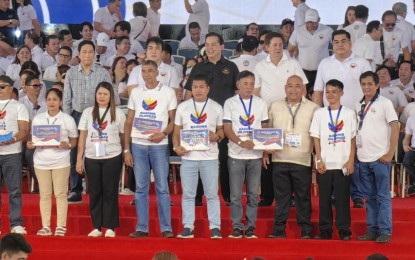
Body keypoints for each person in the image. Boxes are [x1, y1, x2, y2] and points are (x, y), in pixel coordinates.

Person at [313, 30, 371, 208]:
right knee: (332, 152)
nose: (339, 45)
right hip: (330, 118)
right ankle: (332, 194)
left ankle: (358, 195)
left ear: (350, 43)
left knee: (356, 155)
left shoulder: (361, 63)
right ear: (332, 44)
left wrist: (367, 112)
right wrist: (317, 114)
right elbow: (318, 91)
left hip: (356, 116)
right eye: (336, 42)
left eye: (343, 41)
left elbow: (369, 90)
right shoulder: (324, 63)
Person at [184, 32, 239, 205]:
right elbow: (188, 95)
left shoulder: (232, 67)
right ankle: (198, 196)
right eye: (206, 44)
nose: (209, 48)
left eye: (213, 44)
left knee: (224, 159)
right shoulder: (198, 68)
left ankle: (228, 196)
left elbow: (237, 95)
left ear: (222, 46)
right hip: (200, 121)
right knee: (198, 157)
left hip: (224, 122)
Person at [124, 60, 176, 238]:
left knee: (162, 187)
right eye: (143, 71)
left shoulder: (168, 92)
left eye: (150, 71)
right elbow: (129, 121)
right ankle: (142, 228)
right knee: (141, 187)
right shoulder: (136, 92)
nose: (146, 74)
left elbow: (174, 122)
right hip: (138, 144)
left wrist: (163, 134)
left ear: (157, 73)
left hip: (159, 145)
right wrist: (126, 149)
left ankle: (166, 228)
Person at [266, 75, 319, 239]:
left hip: (302, 159)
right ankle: (278, 230)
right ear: (285, 88)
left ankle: (306, 230)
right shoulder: (275, 106)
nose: (293, 90)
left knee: (303, 197)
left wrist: (318, 158)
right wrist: (264, 152)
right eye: (290, 86)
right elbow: (268, 130)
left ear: (303, 89)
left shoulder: (313, 108)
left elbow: (317, 135)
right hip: (279, 158)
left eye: (297, 86)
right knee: (281, 198)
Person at [174, 74, 224, 239]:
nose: (198, 90)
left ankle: (215, 227)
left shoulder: (216, 107)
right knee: (188, 195)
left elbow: (222, 131)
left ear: (208, 88)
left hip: (209, 157)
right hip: (188, 158)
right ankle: (188, 227)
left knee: (211, 194)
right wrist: (176, 147)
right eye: (195, 87)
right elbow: (176, 132)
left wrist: (216, 136)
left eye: (201, 87)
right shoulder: (183, 107)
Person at [63, 40, 111, 204]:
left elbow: (109, 96)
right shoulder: (71, 73)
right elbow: (67, 100)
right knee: (75, 152)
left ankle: (97, 188)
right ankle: (76, 189)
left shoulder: (102, 73)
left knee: (98, 150)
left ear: (94, 54)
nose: (88, 55)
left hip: (97, 116)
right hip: (76, 115)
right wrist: (67, 121)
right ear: (78, 54)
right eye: (84, 52)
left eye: (91, 52)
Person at [76, 82, 125, 238]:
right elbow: (82, 136)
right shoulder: (88, 112)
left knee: (110, 191)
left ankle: (110, 227)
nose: (102, 96)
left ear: (111, 96)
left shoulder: (118, 113)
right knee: (95, 191)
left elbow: (123, 136)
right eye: (99, 94)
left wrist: (126, 152)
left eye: (105, 94)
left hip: (113, 156)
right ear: (95, 95)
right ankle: (96, 226)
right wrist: (79, 158)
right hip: (91, 156)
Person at [27, 88, 78, 236]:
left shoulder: (67, 119)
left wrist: (67, 145)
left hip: (60, 161)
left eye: (55, 99)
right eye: (49, 99)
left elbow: (74, 140)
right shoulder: (38, 118)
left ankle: (61, 226)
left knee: (61, 194)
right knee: (44, 194)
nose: (51, 102)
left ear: (61, 102)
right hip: (41, 161)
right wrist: (30, 144)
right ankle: (46, 226)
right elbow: (33, 139)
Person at [224, 71, 268, 239]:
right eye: (245, 83)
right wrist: (242, 143)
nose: (248, 87)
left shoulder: (261, 103)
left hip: (255, 156)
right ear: (238, 85)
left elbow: (265, 127)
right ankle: (236, 226)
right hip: (236, 154)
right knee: (235, 195)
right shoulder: (229, 103)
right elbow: (227, 129)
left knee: (252, 194)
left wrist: (264, 148)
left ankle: (250, 227)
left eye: (251, 84)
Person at [356, 71, 399, 244]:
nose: (366, 87)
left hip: (380, 158)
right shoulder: (358, 104)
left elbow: (395, 127)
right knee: (370, 198)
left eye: (369, 84)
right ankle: (372, 230)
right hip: (363, 158)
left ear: (377, 85)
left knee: (382, 196)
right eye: (363, 84)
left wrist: (390, 153)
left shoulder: (385, 103)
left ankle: (385, 231)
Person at [310, 79, 356, 241]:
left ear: (341, 93)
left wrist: (351, 161)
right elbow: (315, 138)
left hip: (343, 163)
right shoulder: (320, 113)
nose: (330, 95)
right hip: (325, 163)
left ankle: (344, 230)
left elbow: (352, 139)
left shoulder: (349, 113)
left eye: (334, 91)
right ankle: (325, 230)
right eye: (327, 91)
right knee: (324, 199)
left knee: (343, 199)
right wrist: (318, 160)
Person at [0, 75, 29, 234]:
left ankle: (16, 223)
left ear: (11, 88)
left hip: (12, 153)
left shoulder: (19, 106)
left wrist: (11, 140)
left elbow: (24, 130)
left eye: (2, 87)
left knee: (15, 190)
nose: (0, 90)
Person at [288, 8, 333, 97]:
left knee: (321, 95)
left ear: (318, 20)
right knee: (302, 96)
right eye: (308, 22)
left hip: (322, 70)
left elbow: (336, 45)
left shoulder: (328, 30)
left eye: (313, 22)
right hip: (303, 71)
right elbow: (290, 49)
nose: (310, 25)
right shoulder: (298, 31)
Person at [402, 113, 415, 196]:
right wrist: (404, 145)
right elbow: (407, 138)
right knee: (406, 161)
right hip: (414, 148)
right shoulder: (411, 119)